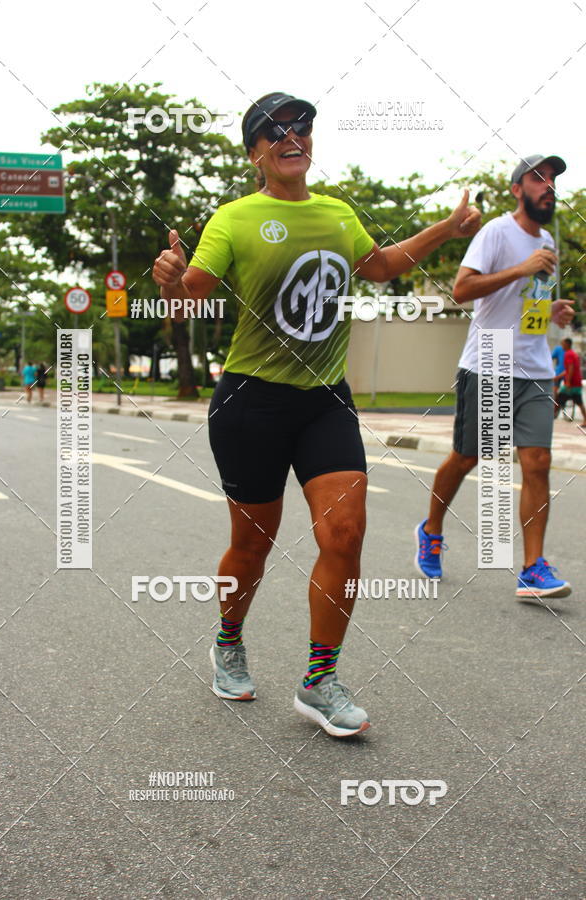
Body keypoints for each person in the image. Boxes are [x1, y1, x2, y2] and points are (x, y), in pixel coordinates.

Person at [153, 91, 481, 737]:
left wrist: (448, 227)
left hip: (325, 398)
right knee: (252, 545)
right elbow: (189, 295)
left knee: (346, 532)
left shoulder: (337, 213)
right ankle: (228, 639)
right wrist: (168, 280)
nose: (290, 137)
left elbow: (381, 266)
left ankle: (320, 679)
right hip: (252, 401)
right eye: (273, 131)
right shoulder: (235, 219)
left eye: (299, 127)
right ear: (255, 153)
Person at [414, 154, 575, 601]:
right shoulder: (496, 233)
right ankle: (430, 530)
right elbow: (463, 290)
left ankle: (532, 568)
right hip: (489, 362)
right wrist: (521, 270)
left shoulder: (547, 243)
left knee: (537, 464)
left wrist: (552, 311)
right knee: (467, 458)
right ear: (517, 189)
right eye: (538, 178)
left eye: (553, 180)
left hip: (536, 367)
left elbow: (528, 307)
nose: (548, 186)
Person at [557, 337, 585, 423]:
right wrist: (557, 377)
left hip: (571, 384)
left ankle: (550, 416)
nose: (562, 345)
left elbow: (571, 368)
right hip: (576, 383)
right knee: (579, 402)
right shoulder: (572, 353)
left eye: (563, 343)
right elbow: (568, 370)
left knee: (557, 399)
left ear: (567, 344)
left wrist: (568, 382)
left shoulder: (568, 354)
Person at [551, 341, 565, 410]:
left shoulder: (558, 349)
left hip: (559, 373)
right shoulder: (570, 351)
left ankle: (555, 407)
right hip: (566, 374)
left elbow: (550, 357)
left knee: (555, 390)